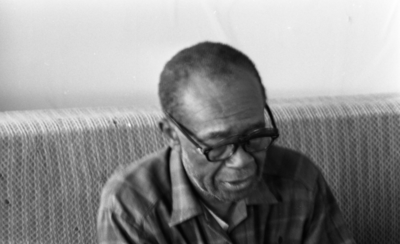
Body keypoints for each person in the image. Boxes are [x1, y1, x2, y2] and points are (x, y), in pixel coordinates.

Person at [97, 42, 355, 244]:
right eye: (218, 145)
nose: (242, 161)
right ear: (172, 134)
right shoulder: (131, 204)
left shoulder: (300, 180)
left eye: (254, 136)